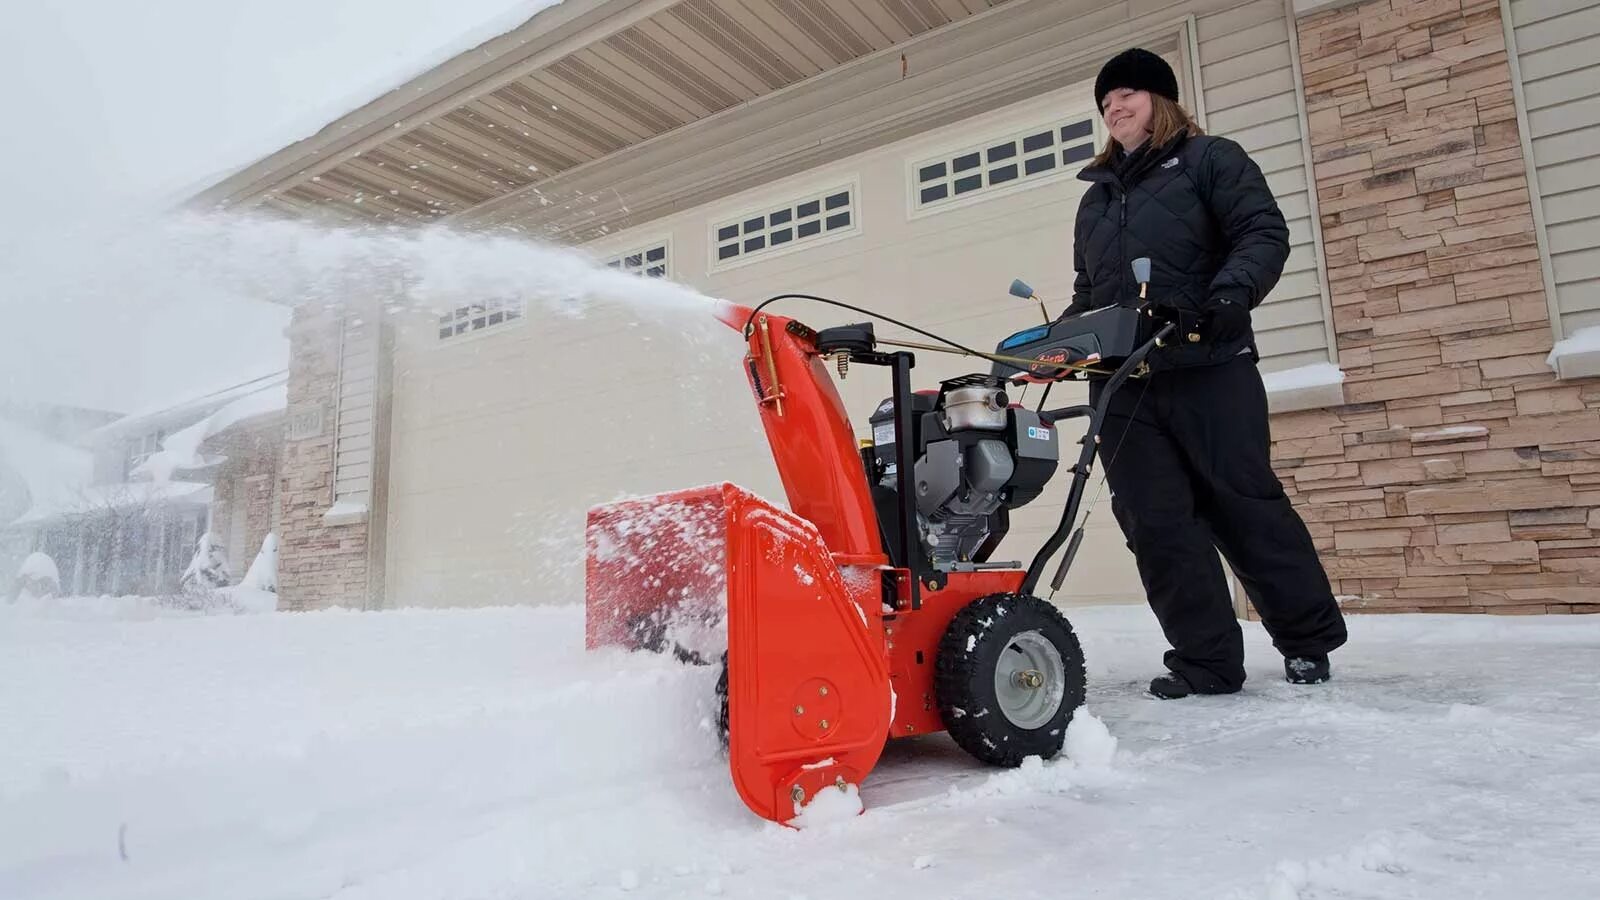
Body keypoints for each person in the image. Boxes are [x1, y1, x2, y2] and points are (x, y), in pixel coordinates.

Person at [1066, 48, 1348, 699]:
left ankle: (1306, 642)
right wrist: (1066, 345)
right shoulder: (1096, 201)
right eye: (1106, 103)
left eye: (1127, 95)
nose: (1115, 109)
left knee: (1243, 506)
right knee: (1154, 521)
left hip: (1210, 365)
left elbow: (1261, 232)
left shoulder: (1211, 160)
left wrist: (1230, 296)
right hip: (1125, 382)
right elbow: (1089, 289)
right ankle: (1206, 660)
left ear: (1161, 100)